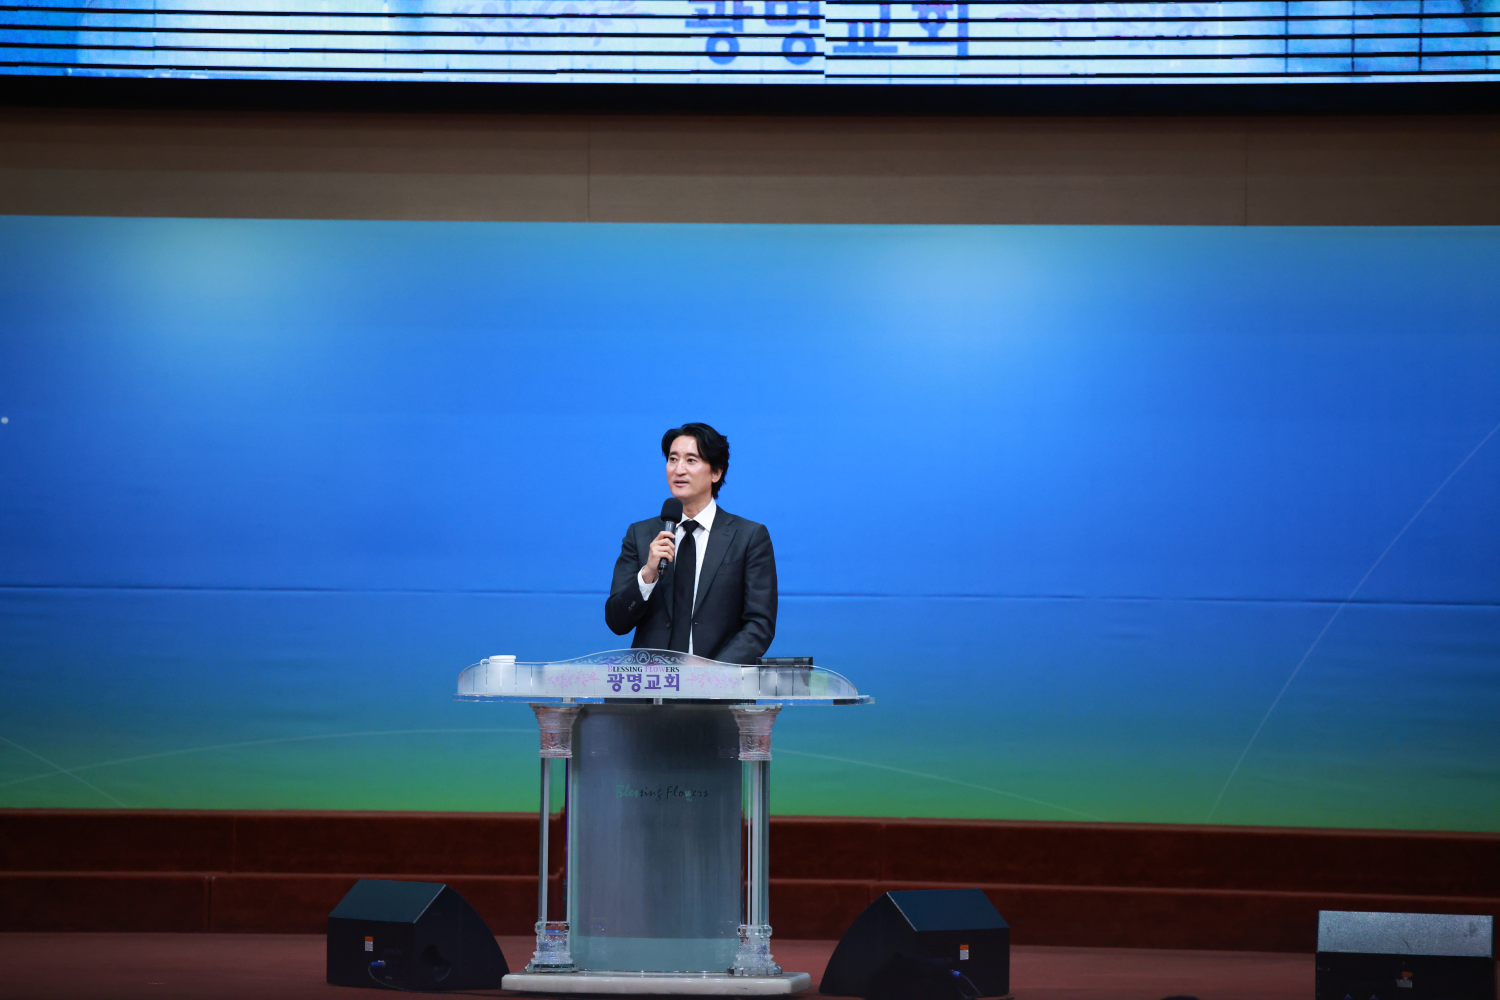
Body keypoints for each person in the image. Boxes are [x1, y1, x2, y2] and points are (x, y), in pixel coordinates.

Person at [604, 423, 777, 664]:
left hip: (718, 683)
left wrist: (714, 672)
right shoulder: (641, 535)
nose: (679, 470)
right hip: (651, 682)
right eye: (672, 459)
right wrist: (647, 574)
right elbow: (616, 621)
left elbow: (759, 625)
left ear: (716, 472)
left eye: (691, 460)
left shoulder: (748, 537)